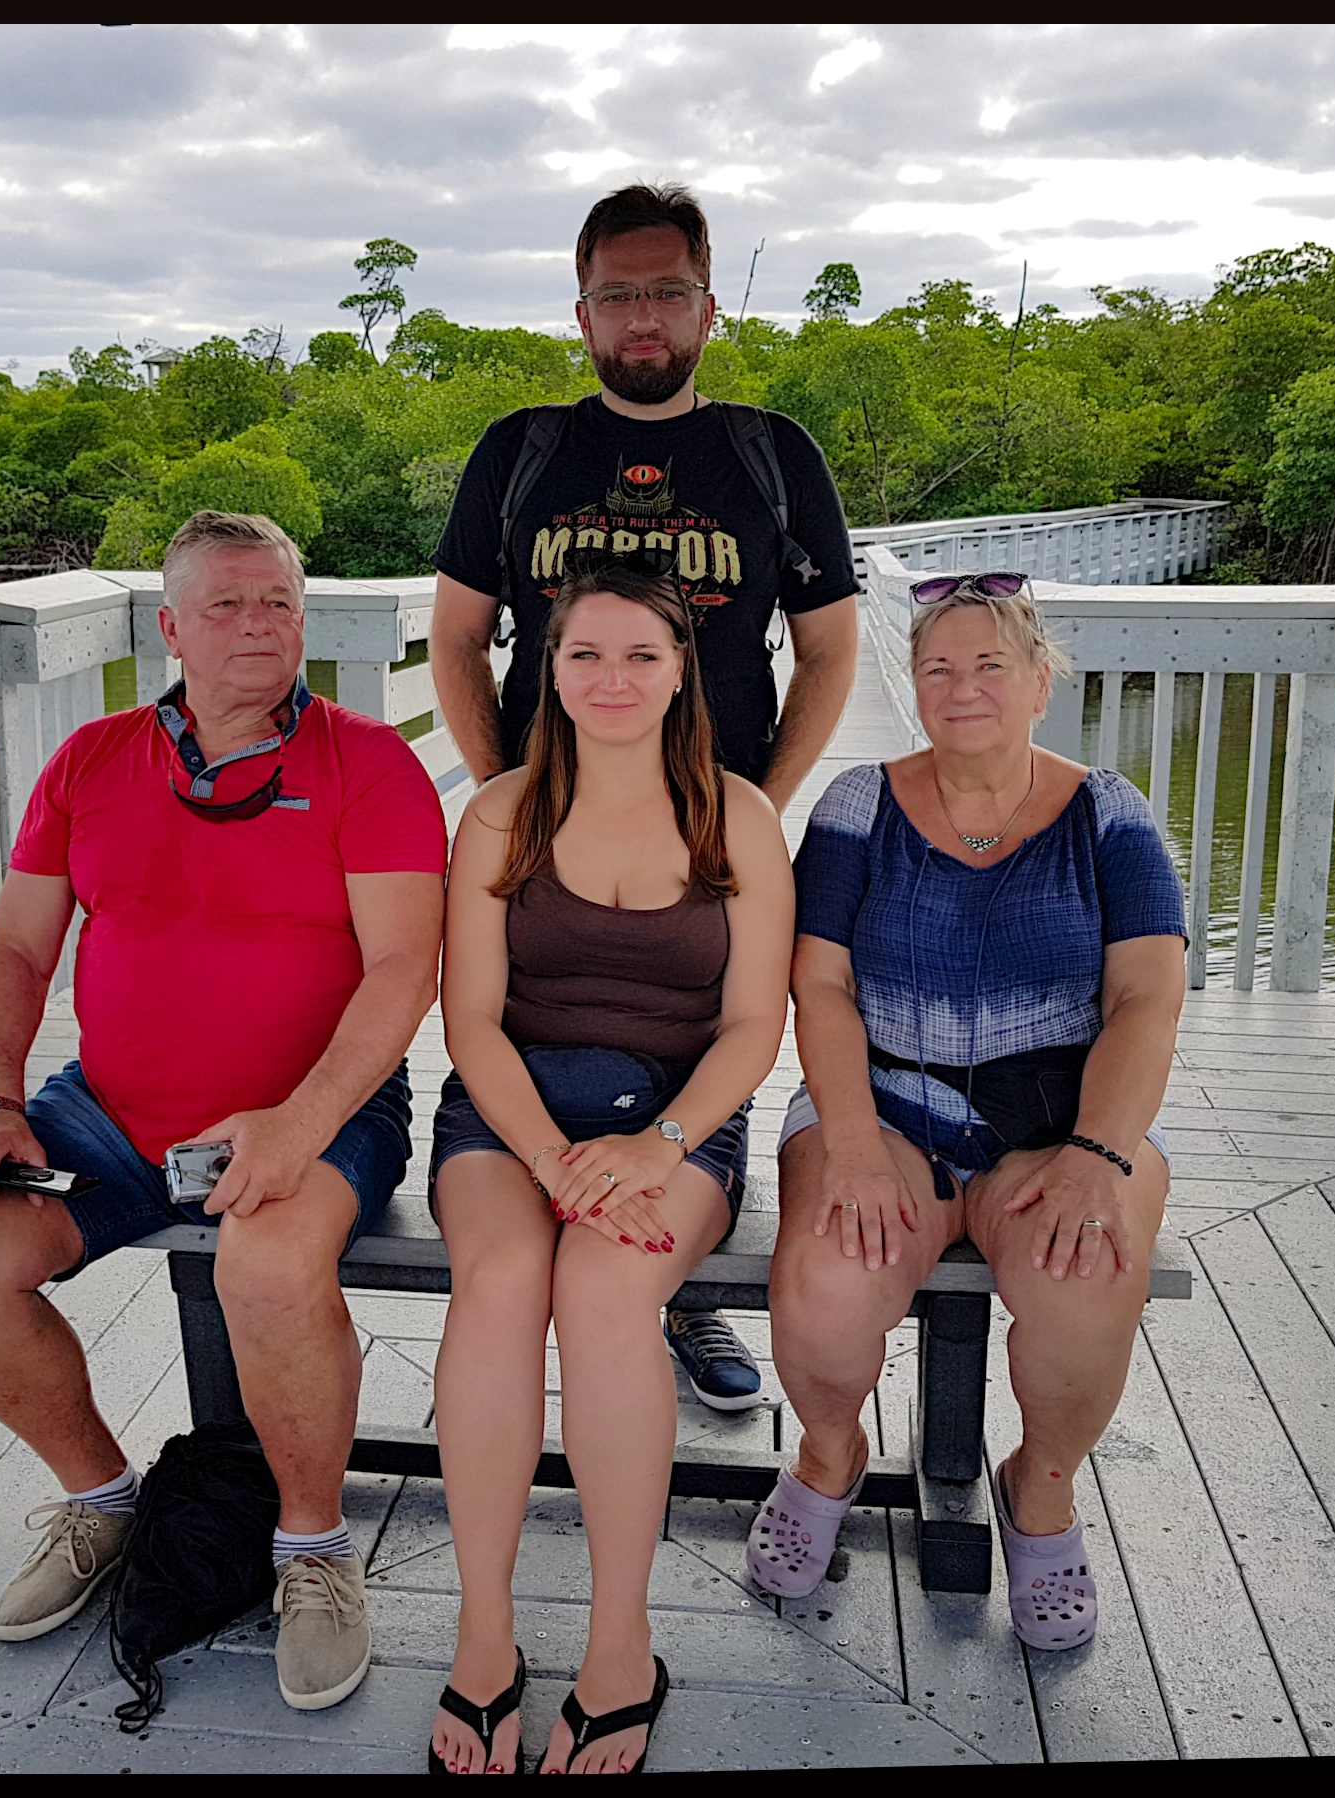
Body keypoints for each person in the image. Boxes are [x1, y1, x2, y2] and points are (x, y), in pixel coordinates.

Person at [0, 510, 447, 1712]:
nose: (258, 625)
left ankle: (311, 1547)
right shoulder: (91, 761)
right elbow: (18, 945)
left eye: (279, 602)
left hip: (319, 1108)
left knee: (267, 1262)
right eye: (226, 603)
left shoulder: (367, 761)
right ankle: (103, 1501)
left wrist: (301, 1121)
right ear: (170, 627)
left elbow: (407, 966)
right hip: (110, 1110)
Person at [429, 180, 860, 1413]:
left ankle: (679, 1285)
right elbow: (457, 637)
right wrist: (508, 793)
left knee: (693, 1032)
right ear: (581, 311)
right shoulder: (521, 451)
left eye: (668, 290)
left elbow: (829, 650)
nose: (642, 316)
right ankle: (553, 1275)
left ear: (709, 306)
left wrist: (749, 812)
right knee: (538, 1028)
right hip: (551, 834)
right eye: (616, 294)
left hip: (708, 843)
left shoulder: (769, 455)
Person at [757, 574, 1185, 1652]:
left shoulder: (1108, 813)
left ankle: (1041, 1485)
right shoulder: (857, 806)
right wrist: (851, 1141)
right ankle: (828, 1453)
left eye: (991, 664)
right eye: (938, 668)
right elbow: (820, 984)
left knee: (1087, 1273)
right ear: (913, 687)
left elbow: (1146, 996)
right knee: (827, 1277)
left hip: (1058, 1121)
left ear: (1041, 681)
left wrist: (1098, 1153)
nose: (963, 688)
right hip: (884, 1106)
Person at [426, 558, 793, 1773]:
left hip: (678, 1120)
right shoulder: (501, 812)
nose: (613, 677)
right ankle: (484, 1638)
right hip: (509, 1114)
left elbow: (754, 1026)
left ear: (683, 669)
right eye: (585, 653)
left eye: (641, 653)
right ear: (550, 668)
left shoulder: (737, 816)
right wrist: (547, 1155)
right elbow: (470, 1021)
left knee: (600, 1286)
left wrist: (657, 1143)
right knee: (497, 1284)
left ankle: (619, 1645)